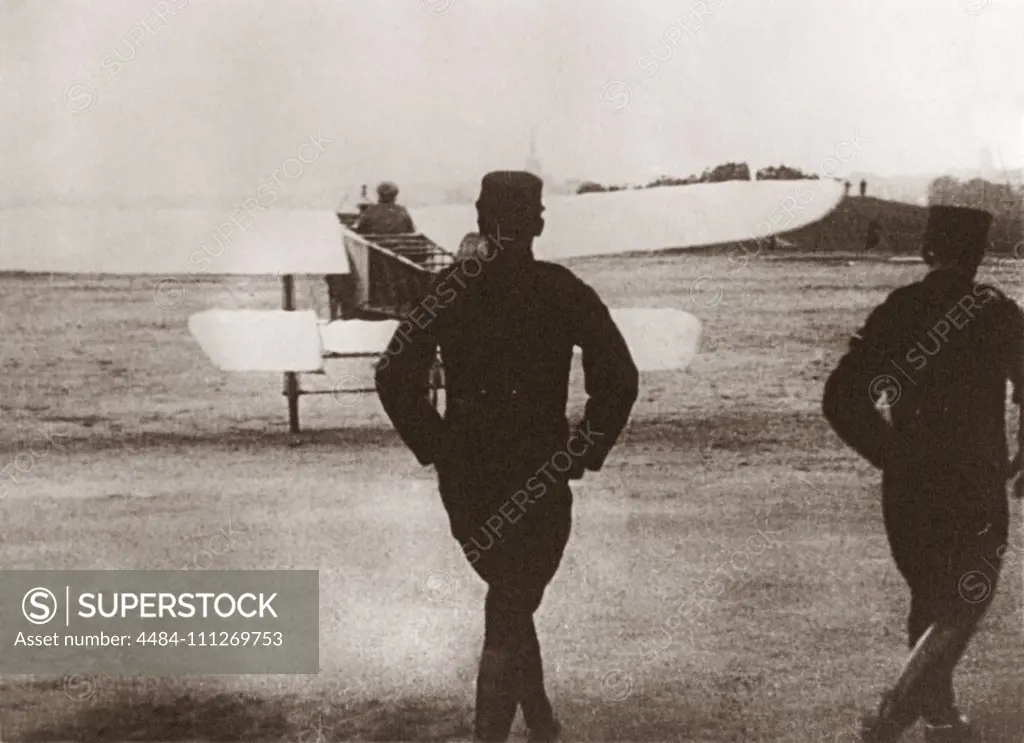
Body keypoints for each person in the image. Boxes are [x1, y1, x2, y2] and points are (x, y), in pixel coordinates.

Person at [375, 171, 639, 742]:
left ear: (478, 219)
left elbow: (394, 372)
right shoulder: (562, 289)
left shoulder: (449, 289)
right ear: (539, 222)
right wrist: (582, 450)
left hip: (468, 476)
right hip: (541, 472)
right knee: (512, 604)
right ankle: (499, 733)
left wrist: (436, 443)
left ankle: (539, 721)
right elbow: (619, 378)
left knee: (509, 600)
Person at [822, 205, 1023, 742]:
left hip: (909, 486)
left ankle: (938, 717)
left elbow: (842, 398)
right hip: (976, 480)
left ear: (928, 250)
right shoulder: (999, 312)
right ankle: (893, 717)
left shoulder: (899, 308)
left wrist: (891, 454)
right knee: (966, 597)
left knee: (931, 595)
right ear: (978, 255)